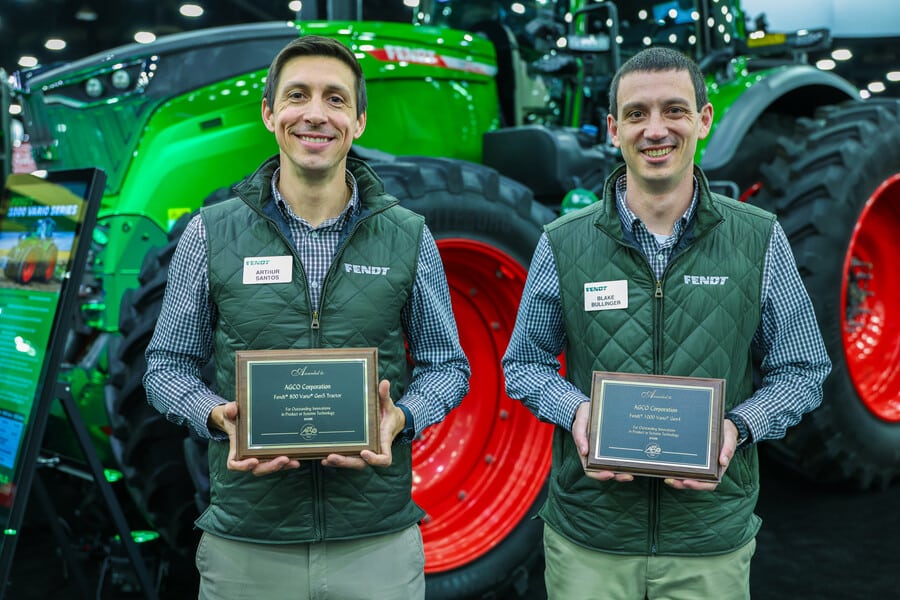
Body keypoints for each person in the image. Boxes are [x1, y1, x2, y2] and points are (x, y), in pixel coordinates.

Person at [143, 35, 470, 600]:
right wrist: (217, 417)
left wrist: (403, 417)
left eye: (335, 99)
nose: (315, 114)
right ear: (269, 114)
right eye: (297, 96)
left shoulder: (408, 235)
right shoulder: (209, 233)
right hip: (248, 545)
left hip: (376, 544)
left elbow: (448, 366)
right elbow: (165, 368)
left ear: (359, 121)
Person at [501, 46, 831, 600]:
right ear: (614, 129)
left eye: (674, 110)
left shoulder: (758, 237)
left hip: (707, 540)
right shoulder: (563, 241)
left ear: (703, 119)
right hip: (591, 539)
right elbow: (525, 363)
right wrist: (577, 412)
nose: (656, 130)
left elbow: (803, 369)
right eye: (637, 114)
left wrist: (736, 427)